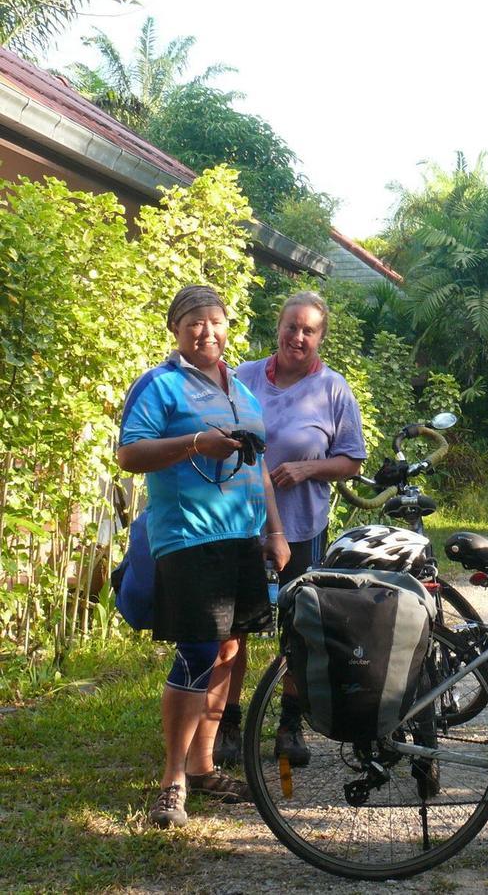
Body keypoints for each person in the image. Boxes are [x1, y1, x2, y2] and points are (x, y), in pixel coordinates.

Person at [117, 284, 290, 829]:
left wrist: (275, 532)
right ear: (176, 328)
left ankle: (203, 764)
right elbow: (129, 453)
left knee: (230, 647)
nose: (206, 331)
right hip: (188, 538)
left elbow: (259, 467)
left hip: (243, 539)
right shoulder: (159, 385)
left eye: (215, 321)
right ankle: (171, 781)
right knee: (198, 648)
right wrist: (196, 444)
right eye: (194, 321)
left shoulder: (243, 391)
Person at [213, 290, 367, 767]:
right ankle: (229, 724)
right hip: (240, 524)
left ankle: (289, 725)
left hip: (301, 526)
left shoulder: (333, 389)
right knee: (232, 629)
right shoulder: (242, 376)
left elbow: (353, 460)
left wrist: (306, 470)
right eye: (291, 326)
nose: (297, 337)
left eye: (309, 330)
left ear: (321, 337)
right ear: (277, 327)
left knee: (298, 629)